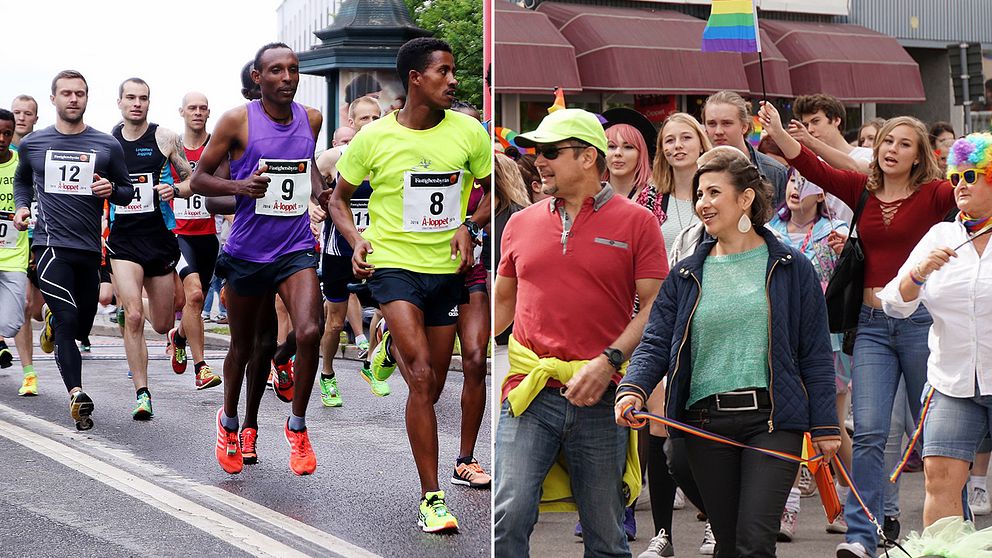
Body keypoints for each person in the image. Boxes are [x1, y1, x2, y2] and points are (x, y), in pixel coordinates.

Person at [615, 146, 840, 558]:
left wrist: (825, 426)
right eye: (700, 194)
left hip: (772, 422)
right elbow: (655, 342)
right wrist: (632, 387)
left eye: (715, 192)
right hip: (704, 422)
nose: (703, 203)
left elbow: (815, 355)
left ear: (746, 198)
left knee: (754, 541)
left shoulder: (792, 267)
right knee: (730, 541)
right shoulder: (685, 273)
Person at [759, 100, 956, 558]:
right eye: (887, 140)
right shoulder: (860, 190)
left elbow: (975, 188)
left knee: (935, 436)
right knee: (867, 432)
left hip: (921, 325)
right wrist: (779, 130)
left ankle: (950, 531)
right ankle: (863, 535)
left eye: (904, 144)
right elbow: (808, 164)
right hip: (869, 326)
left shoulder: (936, 195)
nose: (892, 149)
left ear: (918, 155)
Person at [326, 37, 491, 532]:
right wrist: (356, 240)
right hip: (393, 266)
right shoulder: (372, 140)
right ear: (416, 78)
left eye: (454, 70)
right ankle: (432, 498)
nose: (454, 80)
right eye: (444, 71)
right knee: (420, 377)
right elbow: (338, 200)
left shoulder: (469, 131)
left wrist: (468, 222)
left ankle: (385, 347)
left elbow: (495, 191)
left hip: (446, 272)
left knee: (435, 384)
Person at [493, 107, 667, 557]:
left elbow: (656, 306)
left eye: (550, 152)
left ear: (589, 158)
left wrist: (609, 360)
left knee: (606, 534)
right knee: (508, 513)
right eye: (537, 153)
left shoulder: (638, 222)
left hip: (601, 395)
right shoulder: (520, 222)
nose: (539, 162)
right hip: (529, 391)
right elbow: (502, 303)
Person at [192, 42, 324, 476]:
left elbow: (307, 167)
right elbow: (198, 181)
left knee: (309, 330)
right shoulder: (236, 121)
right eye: (276, 71)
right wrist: (240, 187)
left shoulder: (312, 118)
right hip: (248, 252)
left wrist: (324, 193)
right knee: (248, 346)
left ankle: (298, 426)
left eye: (293, 70)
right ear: (258, 77)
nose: (287, 78)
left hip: (295, 246)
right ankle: (230, 421)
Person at [877, 132, 992, 527]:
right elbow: (893, 301)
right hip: (952, 381)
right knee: (939, 481)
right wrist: (920, 272)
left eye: (972, 175)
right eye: (956, 175)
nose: (960, 184)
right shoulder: (941, 236)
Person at [13, 70, 135, 430]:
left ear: (87, 98)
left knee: (81, 324)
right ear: (53, 98)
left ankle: (53, 321)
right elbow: (22, 180)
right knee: (68, 321)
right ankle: (76, 394)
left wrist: (110, 188)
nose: (73, 99)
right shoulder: (35, 143)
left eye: (79, 93)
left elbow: (127, 191)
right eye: (66, 93)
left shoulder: (105, 145)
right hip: (50, 246)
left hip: (88, 249)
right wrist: (23, 207)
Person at [766, 168, 853, 538]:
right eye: (792, 180)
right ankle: (787, 508)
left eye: (807, 183)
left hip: (826, 341)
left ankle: (855, 500)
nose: (797, 188)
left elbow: (849, 286)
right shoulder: (769, 232)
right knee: (787, 424)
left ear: (823, 195)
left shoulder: (836, 233)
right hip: (782, 339)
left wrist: (847, 256)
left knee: (830, 425)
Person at [107, 77, 193, 420]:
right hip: (123, 239)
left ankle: (167, 330)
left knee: (160, 322)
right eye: (130, 98)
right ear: (120, 102)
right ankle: (142, 393)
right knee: (134, 317)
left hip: (158, 238)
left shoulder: (165, 138)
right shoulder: (107, 142)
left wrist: (177, 191)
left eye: (143, 98)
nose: (137, 103)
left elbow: (190, 178)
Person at [313, 96, 387, 405]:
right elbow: (308, 178)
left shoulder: (389, 154)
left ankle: (371, 362)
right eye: (364, 119)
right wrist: (312, 209)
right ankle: (327, 374)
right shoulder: (335, 157)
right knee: (334, 321)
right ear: (352, 124)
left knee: (390, 310)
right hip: (338, 249)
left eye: (375, 118)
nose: (370, 124)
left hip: (378, 247)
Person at [166, 91, 223, 390]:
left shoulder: (217, 147)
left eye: (203, 108)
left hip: (207, 237)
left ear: (209, 113)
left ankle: (179, 336)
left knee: (195, 306)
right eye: (192, 108)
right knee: (196, 295)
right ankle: (201, 368)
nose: (197, 112)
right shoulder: (169, 147)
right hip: (178, 235)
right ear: (182, 111)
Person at [10, 95, 43, 395]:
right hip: (12, 240)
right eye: (16, 112)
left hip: (42, 234)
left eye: (27, 113)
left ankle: (51, 323)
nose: (21, 118)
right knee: (21, 305)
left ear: (35, 118)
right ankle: (29, 373)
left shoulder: (42, 149)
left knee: (37, 308)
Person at [702, 90, 788, 206]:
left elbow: (783, 221)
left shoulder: (774, 171)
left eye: (727, 123)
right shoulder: (696, 169)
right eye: (712, 124)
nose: (718, 131)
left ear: (744, 126)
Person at [0, 110, 28, 373]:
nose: (1, 138)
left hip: (15, 253)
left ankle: (1, 337)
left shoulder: (22, 163)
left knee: (12, 322)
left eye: (7, 133)